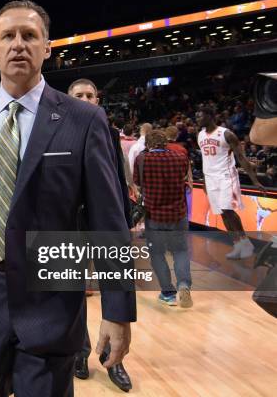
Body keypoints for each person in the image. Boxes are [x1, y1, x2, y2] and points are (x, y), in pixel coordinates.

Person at [0, 1, 136, 396]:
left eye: (29, 36)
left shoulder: (84, 118)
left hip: (51, 295)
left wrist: (117, 312)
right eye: (7, 36)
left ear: (47, 48)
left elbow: (109, 220)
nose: (18, 45)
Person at [67, 78, 132, 391]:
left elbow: (118, 179)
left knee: (114, 287)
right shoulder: (56, 130)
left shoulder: (110, 132)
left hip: (103, 224)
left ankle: (113, 359)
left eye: (89, 95)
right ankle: (80, 352)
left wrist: (126, 219)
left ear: (98, 99)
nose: (84, 99)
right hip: (69, 227)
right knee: (73, 292)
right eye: (78, 95)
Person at [133, 130, 193, 307]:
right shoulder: (180, 157)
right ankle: (184, 285)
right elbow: (184, 178)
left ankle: (167, 292)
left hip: (154, 215)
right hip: (178, 214)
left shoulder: (142, 160)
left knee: (157, 254)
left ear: (148, 144)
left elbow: (137, 182)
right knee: (180, 251)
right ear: (165, 142)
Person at [197, 106, 264, 259]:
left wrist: (255, 180)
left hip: (226, 176)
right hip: (210, 178)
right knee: (221, 212)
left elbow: (241, 158)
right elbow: (205, 160)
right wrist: (204, 181)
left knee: (228, 210)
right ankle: (237, 244)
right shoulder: (200, 135)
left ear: (210, 115)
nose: (198, 119)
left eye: (200, 116)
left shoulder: (227, 134)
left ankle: (246, 243)